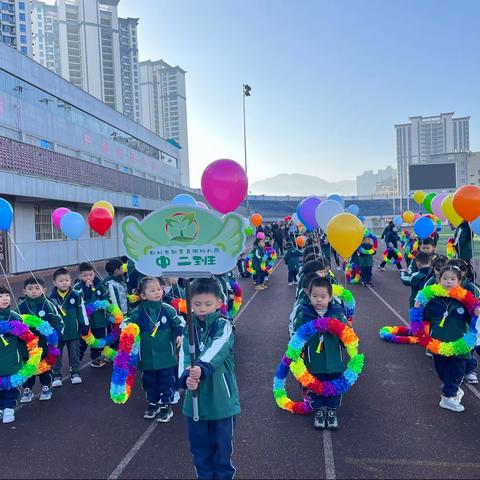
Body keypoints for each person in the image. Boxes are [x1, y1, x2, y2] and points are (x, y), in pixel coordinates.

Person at [179, 278, 240, 480]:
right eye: (197, 304)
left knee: (222, 449)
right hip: (195, 402)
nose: (202, 308)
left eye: (207, 304)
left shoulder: (224, 326)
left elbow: (219, 347)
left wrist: (200, 367)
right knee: (199, 449)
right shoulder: (188, 328)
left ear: (218, 303)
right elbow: (184, 357)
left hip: (221, 401)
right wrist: (186, 375)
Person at [417, 265, 480, 412]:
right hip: (438, 343)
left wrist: (477, 311)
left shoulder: (465, 300)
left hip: (460, 343)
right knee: (442, 370)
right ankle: (453, 390)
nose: (448, 282)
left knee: (457, 370)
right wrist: (418, 306)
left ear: (459, 281)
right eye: (445, 278)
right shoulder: (432, 301)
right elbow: (421, 318)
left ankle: (448, 397)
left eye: (452, 279)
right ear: (439, 280)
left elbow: (474, 321)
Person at [293, 277, 348, 430]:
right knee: (314, 385)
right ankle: (318, 409)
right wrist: (296, 353)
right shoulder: (304, 315)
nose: (319, 300)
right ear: (308, 296)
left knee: (334, 385)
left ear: (330, 297)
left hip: (334, 360)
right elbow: (297, 336)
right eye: (315, 296)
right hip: (313, 361)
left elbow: (347, 334)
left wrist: (348, 345)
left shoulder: (337, 314)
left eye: (323, 297)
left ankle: (331, 410)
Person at [128, 276, 183, 421]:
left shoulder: (168, 309)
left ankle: (166, 406)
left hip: (166, 356)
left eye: (159, 289)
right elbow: (127, 324)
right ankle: (152, 404)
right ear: (143, 295)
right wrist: (127, 330)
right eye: (152, 290)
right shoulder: (138, 312)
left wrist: (178, 335)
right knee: (149, 382)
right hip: (146, 357)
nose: (158, 292)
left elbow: (179, 324)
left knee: (166, 381)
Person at [18, 277, 63, 403]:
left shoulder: (48, 304)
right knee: (29, 366)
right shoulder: (21, 307)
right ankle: (27, 389)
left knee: (45, 365)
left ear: (44, 290)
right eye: (30, 289)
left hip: (44, 342)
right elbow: (15, 323)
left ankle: (46, 386)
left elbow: (58, 321)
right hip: (27, 344)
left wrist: (55, 336)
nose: (34, 291)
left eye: (37, 288)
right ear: (24, 291)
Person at [50, 267, 89, 387]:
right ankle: (56, 374)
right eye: (61, 281)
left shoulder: (76, 295)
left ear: (70, 280)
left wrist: (84, 325)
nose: (64, 283)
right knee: (56, 353)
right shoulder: (51, 298)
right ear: (54, 283)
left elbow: (82, 311)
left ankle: (75, 371)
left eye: (66, 280)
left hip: (73, 331)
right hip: (57, 333)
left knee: (74, 352)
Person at [0, 284, 28, 423]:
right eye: (0, 296)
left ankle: (9, 407)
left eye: (6, 295)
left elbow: (24, 339)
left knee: (10, 385)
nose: (5, 299)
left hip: (12, 359)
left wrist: (25, 355)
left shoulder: (15, 317)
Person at [74, 262, 110, 368]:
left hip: (99, 319)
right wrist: (86, 289)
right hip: (85, 320)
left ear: (94, 273)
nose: (89, 277)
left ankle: (96, 358)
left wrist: (105, 304)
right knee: (82, 342)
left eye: (91, 275)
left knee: (99, 339)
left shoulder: (100, 285)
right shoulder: (78, 287)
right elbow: (76, 300)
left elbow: (106, 297)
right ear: (80, 276)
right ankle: (76, 361)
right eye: (85, 276)